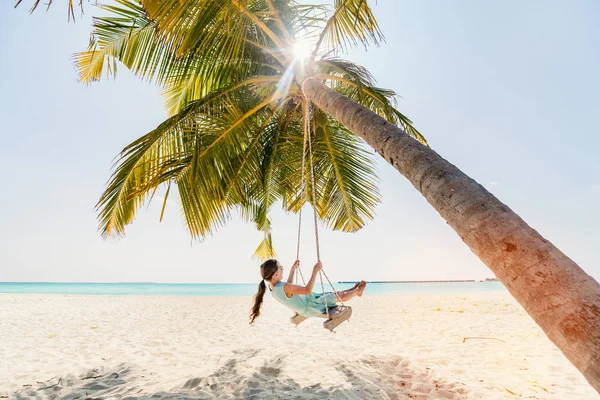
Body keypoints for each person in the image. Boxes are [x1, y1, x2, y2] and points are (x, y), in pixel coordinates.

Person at [249, 258, 366, 324]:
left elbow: (287, 288)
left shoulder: (272, 288)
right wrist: (315, 271)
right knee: (338, 296)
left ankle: (353, 289)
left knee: (334, 294)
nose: (282, 269)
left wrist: (292, 270)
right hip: (311, 306)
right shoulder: (283, 287)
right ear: (275, 274)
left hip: (308, 303)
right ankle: (357, 292)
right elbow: (307, 290)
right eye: (281, 268)